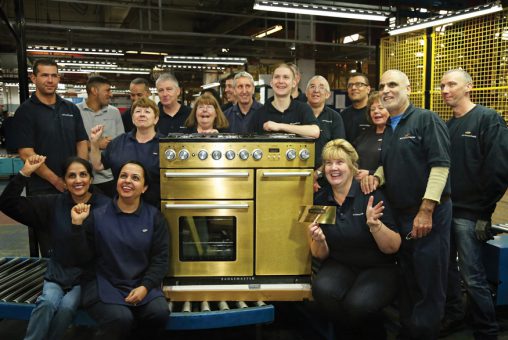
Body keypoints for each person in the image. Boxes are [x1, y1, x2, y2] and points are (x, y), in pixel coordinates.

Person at [361, 70, 452, 340]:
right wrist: (375, 177)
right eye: (382, 86)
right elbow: (392, 164)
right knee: (410, 279)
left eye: (392, 85)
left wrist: (426, 211)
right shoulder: (391, 126)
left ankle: (424, 333)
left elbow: (440, 166)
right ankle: (410, 331)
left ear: (408, 89)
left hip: (427, 214)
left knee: (429, 282)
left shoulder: (425, 119)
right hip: (402, 215)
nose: (386, 90)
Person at [0, 155, 109, 340]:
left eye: (83, 175)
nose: (78, 180)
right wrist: (25, 173)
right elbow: (7, 203)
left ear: (91, 179)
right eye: (71, 176)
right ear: (64, 181)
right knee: (46, 303)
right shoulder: (54, 204)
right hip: (58, 272)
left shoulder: (105, 207)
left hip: (86, 277)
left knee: (66, 308)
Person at [440, 69, 508, 339]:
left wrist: (484, 212)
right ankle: (455, 317)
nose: (445, 90)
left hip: (471, 215)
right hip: (446, 211)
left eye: (451, 84)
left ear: (469, 87)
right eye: (442, 85)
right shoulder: (448, 126)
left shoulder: (487, 119)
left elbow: (499, 169)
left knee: (473, 276)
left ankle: (487, 330)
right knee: (448, 272)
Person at [309, 139, 400, 339]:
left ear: (352, 167)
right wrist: (319, 240)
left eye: (340, 162)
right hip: (341, 263)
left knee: (358, 304)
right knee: (322, 290)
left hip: (378, 267)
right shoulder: (321, 201)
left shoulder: (370, 195)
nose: (334, 168)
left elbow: (393, 247)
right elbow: (319, 254)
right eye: (329, 163)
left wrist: (376, 227)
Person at [71, 161, 169, 340]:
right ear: (116, 182)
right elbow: (82, 257)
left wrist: (145, 287)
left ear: (144, 188)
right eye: (123, 176)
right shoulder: (98, 215)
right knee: (120, 318)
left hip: (141, 283)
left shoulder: (154, 217)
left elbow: (160, 259)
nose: (127, 181)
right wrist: (78, 227)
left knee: (159, 312)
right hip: (104, 283)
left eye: (135, 178)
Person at [12, 58, 89, 196]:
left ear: (58, 78)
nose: (50, 80)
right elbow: (26, 153)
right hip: (42, 188)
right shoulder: (25, 111)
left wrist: (78, 175)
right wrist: (56, 181)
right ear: (33, 78)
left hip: (73, 185)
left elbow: (82, 142)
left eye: (54, 75)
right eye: (44, 75)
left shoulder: (71, 108)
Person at [89, 97, 162, 207]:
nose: (142, 114)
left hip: (154, 207)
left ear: (156, 119)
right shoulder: (118, 142)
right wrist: (94, 143)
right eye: (138, 111)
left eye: (147, 111)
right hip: (121, 206)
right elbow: (98, 166)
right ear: (133, 118)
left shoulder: (165, 145)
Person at [78, 75, 124, 197]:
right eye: (107, 90)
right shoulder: (76, 111)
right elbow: (72, 141)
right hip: (83, 178)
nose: (111, 94)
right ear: (94, 91)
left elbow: (121, 142)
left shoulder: (114, 112)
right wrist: (97, 144)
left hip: (109, 177)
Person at [248, 63, 320, 138]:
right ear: (271, 83)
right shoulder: (259, 114)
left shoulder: (303, 109)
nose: (281, 81)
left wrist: (280, 126)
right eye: (277, 77)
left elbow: (315, 132)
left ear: (294, 83)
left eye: (286, 77)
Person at [305, 75, 345, 168]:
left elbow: (338, 149)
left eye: (321, 87)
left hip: (326, 172)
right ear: (306, 93)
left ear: (327, 94)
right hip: (296, 170)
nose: (316, 90)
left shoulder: (335, 117)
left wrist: (319, 172)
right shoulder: (297, 113)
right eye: (312, 86)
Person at [353, 91, 389, 180]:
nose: (376, 111)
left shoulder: (395, 134)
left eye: (381, 108)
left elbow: (396, 166)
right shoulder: (365, 134)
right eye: (372, 109)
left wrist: (370, 173)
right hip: (360, 186)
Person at [341, 73, 372, 143]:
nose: (353, 88)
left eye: (359, 84)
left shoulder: (375, 113)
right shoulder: (343, 115)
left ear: (368, 89)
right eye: (350, 85)